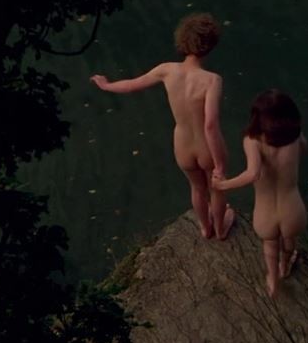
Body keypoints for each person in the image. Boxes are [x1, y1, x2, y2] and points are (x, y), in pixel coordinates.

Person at [90, 13, 234, 240]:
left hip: (183, 146)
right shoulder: (212, 80)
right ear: (211, 45)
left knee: (197, 188)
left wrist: (107, 86)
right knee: (216, 187)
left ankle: (205, 228)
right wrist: (219, 164)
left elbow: (131, 85)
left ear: (182, 40)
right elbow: (210, 125)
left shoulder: (167, 70)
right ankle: (220, 229)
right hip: (206, 147)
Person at [214, 89, 308, 297]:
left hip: (266, 215)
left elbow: (253, 173)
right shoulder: (296, 136)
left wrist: (223, 185)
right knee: (289, 240)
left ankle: (273, 280)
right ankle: (285, 266)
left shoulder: (253, 141)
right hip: (294, 210)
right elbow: (304, 148)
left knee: (270, 244)